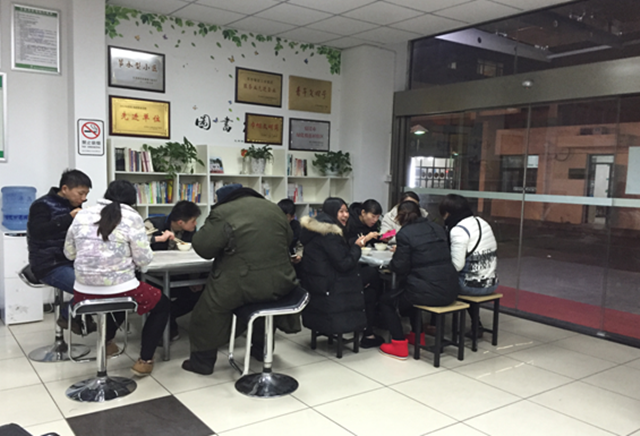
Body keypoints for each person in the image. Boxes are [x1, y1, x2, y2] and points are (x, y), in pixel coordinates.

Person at [182, 184, 300, 375]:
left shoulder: (223, 212)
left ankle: (202, 362)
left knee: (207, 311)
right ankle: (261, 351)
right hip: (281, 281)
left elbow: (204, 248)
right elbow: (288, 238)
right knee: (264, 308)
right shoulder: (273, 208)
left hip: (242, 283)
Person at [63, 180, 170, 376]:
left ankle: (108, 343)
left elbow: (69, 253)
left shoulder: (83, 214)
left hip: (82, 292)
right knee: (162, 304)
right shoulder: (132, 217)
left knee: (118, 301)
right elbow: (143, 259)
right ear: (132, 199)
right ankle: (145, 360)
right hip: (122, 289)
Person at [379, 201, 459, 360]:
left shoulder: (405, 234)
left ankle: (398, 344)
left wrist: (394, 260)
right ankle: (417, 335)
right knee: (411, 292)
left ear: (399, 217)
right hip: (451, 288)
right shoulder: (438, 228)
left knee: (386, 301)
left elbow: (400, 267)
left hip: (428, 291)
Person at [299, 198, 382, 349]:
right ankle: (369, 332)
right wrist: (357, 247)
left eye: (346, 211)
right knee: (372, 279)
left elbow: (336, 254)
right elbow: (344, 264)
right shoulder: (330, 232)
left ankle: (368, 329)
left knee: (369, 281)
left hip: (317, 282)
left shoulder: (316, 227)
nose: (345, 215)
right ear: (332, 212)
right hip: (331, 284)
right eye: (341, 211)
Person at [27, 169, 96, 335]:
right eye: (81, 193)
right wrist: (69, 218)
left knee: (103, 281)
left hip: (72, 261)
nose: (83, 198)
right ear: (65, 189)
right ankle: (68, 315)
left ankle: (81, 316)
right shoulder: (42, 205)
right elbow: (37, 232)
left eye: (86, 194)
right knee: (92, 288)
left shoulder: (74, 205)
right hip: (49, 264)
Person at [440, 194, 498, 337]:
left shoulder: (458, 230)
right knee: (470, 275)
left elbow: (457, 266)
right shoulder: (482, 222)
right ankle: (476, 324)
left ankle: (436, 328)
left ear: (448, 213)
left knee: (437, 283)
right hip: (492, 282)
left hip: (471, 286)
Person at [144, 200, 202, 341]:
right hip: (153, 275)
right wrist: (159, 238)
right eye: (193, 221)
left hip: (179, 273)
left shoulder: (190, 231)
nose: (195, 224)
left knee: (200, 292)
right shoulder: (153, 223)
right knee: (160, 297)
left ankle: (169, 317)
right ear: (181, 222)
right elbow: (137, 241)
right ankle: (163, 324)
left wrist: (195, 278)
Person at [344, 198, 384, 347]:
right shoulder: (350, 223)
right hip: (348, 270)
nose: (375, 220)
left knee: (373, 286)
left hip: (361, 265)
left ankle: (370, 328)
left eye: (377, 217)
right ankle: (370, 328)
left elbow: (371, 244)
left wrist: (382, 239)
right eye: (372, 216)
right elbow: (350, 244)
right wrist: (367, 238)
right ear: (363, 213)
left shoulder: (371, 225)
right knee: (374, 279)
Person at [277, 198, 302, 263]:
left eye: (286, 216)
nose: (282, 218)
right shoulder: (274, 225)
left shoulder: (297, 227)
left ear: (292, 217)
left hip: (292, 257)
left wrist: (299, 255)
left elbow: (300, 244)